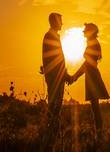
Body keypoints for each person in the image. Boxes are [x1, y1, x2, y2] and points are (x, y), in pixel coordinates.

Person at [40, 12, 73, 150]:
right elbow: (56, 59)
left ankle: (50, 136)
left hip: (55, 77)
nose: (62, 23)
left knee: (54, 107)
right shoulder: (50, 36)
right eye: (61, 21)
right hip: (55, 78)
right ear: (55, 22)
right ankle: (51, 138)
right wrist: (65, 76)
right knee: (55, 107)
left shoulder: (50, 36)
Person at [71, 23, 109, 139]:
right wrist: (75, 76)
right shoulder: (92, 44)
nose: (84, 34)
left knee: (95, 108)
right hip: (91, 76)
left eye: (86, 31)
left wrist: (75, 76)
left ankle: (99, 134)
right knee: (95, 108)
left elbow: (87, 64)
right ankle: (99, 133)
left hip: (93, 77)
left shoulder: (93, 45)